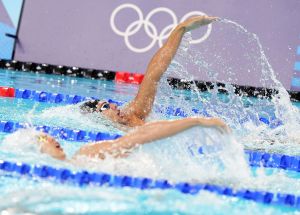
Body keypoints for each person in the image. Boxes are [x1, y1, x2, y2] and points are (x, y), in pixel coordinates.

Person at [80, 16, 218, 127]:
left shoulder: (133, 113)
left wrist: (181, 29)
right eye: (105, 106)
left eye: (109, 103)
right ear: (96, 118)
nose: (114, 105)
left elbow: (153, 74)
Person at [36, 117, 229, 161]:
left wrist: (195, 122)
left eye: (48, 135)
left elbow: (140, 136)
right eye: (43, 139)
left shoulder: (85, 154)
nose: (52, 139)